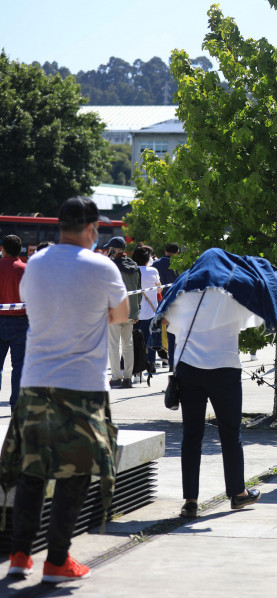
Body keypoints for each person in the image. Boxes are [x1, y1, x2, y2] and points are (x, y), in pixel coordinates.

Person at [1, 196, 129, 583]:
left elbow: (35, 304)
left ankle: (21, 555)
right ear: (91, 229)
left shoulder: (36, 263)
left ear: (59, 227)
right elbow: (120, 315)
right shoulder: (102, 266)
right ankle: (57, 558)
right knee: (76, 473)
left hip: (36, 381)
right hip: (82, 385)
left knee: (32, 470)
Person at [154, 248, 277, 518]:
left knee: (191, 436)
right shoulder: (232, 294)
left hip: (189, 372)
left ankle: (190, 501)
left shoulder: (182, 293)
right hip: (224, 371)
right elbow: (264, 299)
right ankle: (237, 493)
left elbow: (164, 319)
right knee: (231, 433)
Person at [104, 236, 141, 389]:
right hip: (131, 311)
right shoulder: (134, 266)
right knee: (128, 345)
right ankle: (128, 378)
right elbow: (139, 290)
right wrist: (137, 311)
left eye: (109, 248)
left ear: (113, 249)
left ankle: (116, 378)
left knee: (113, 345)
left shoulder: (112, 266)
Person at [0, 235, 27, 410]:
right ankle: (16, 405)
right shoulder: (26, 269)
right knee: (18, 367)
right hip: (21, 323)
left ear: (3, 248)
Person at [132, 245, 162, 374]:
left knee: (134, 340)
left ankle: (135, 365)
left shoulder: (131, 271)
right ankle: (150, 364)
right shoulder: (152, 271)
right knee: (149, 339)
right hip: (150, 310)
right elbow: (159, 289)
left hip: (134, 311)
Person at [152, 242, 180, 370]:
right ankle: (174, 363)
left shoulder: (156, 264)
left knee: (162, 332)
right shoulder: (179, 264)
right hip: (177, 302)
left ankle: (166, 360)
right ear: (177, 252)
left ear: (165, 250)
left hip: (160, 301)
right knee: (176, 334)